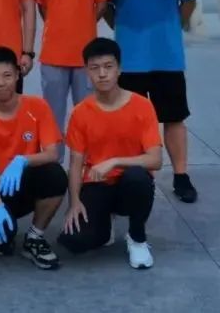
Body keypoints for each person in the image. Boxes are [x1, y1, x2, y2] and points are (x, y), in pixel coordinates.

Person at [104, 0, 198, 204]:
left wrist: (173, 27)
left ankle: (181, 176)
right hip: (129, 60)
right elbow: (106, 6)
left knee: (174, 118)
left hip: (167, 58)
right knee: (129, 122)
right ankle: (133, 176)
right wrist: (123, 27)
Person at [58, 37, 162, 270]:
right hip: (97, 183)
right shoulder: (80, 112)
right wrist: (74, 202)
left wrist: (114, 161)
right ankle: (104, 225)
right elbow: (75, 164)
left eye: (108, 66)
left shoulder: (141, 105)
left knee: (138, 177)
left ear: (119, 69)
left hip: (130, 183)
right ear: (87, 72)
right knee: (74, 241)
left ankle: (137, 237)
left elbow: (155, 160)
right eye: (95, 68)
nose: (102, 74)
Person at [0, 47, 67, 270]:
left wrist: (22, 160)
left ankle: (34, 236)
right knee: (2, 241)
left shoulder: (38, 106)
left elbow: (52, 153)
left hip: (23, 181)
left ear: (17, 75)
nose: (0, 83)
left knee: (55, 175)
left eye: (7, 75)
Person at [35, 0, 113, 157]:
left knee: (88, 116)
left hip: (87, 57)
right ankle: (53, 169)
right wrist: (60, 23)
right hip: (53, 55)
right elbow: (42, 6)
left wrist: (83, 22)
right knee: (52, 119)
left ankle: (88, 168)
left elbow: (102, 4)